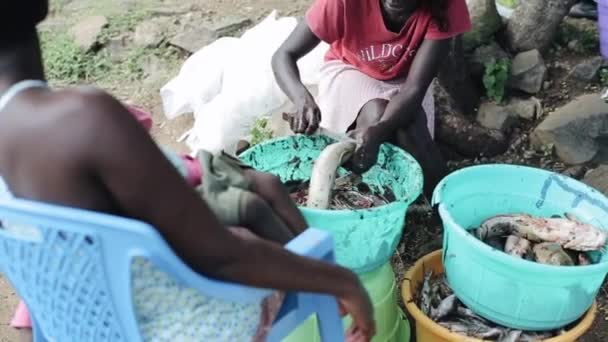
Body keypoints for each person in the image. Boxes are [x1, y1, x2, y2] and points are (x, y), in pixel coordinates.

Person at [0, 1, 375, 341]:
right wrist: (342, 281)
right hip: (181, 328)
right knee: (260, 231)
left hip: (83, 329)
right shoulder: (84, 119)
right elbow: (221, 254)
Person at [272, 0, 472, 200]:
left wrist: (379, 130)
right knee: (378, 113)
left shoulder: (445, 5)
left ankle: (444, 205)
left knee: (408, 123)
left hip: (407, 81)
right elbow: (283, 55)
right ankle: (434, 198)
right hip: (351, 68)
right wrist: (302, 99)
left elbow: (414, 88)